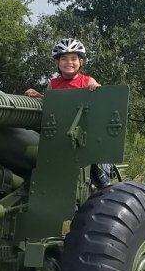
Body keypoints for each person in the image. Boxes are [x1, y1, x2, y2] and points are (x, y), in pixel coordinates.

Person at [26, 38, 112, 188]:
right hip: (62, 134)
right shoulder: (53, 84)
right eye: (64, 59)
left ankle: (104, 188)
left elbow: (98, 102)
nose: (69, 62)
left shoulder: (87, 81)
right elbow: (51, 105)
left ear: (81, 62)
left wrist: (97, 88)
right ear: (57, 63)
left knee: (99, 171)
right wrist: (38, 95)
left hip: (86, 134)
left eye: (73, 58)